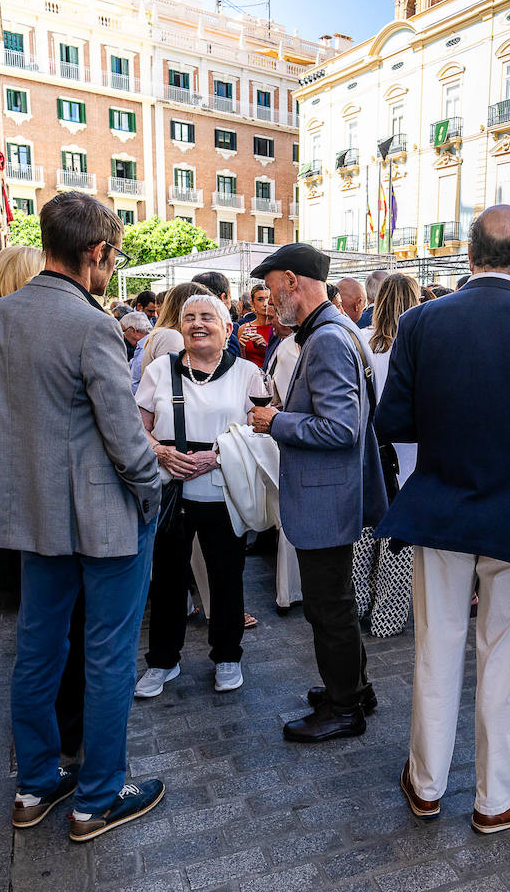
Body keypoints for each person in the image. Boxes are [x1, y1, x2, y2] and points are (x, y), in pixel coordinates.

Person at [375, 205, 510, 834]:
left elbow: (391, 421)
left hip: (442, 504)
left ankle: (425, 783)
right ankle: (497, 797)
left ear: (469, 256)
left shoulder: (420, 322)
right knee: (505, 656)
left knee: (435, 646)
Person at [0, 191, 164, 842]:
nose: (111, 268)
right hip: (106, 517)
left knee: (37, 650)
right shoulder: (91, 324)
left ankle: (35, 785)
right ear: (97, 253)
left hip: (31, 516)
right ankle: (97, 799)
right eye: (113, 256)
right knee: (108, 657)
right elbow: (124, 437)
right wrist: (151, 490)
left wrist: (27, 481)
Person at [247, 244, 388, 743]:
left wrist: (276, 421)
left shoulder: (327, 339)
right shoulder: (336, 330)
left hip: (326, 499)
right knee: (336, 604)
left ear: (292, 280)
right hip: (335, 495)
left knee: (327, 609)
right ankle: (354, 688)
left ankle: (344, 708)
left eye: (269, 284)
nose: (266, 296)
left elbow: (341, 428)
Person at [133, 295, 259, 698]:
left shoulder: (248, 373)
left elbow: (263, 431)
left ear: (227, 327)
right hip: (172, 492)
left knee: (226, 578)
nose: (197, 324)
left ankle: (227, 657)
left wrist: (218, 455)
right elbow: (139, 428)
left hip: (225, 491)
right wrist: (162, 452)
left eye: (208, 317)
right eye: (189, 318)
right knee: (167, 580)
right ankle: (163, 662)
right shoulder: (159, 370)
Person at [353, 273, 421, 637]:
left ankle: (357, 604)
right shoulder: (421, 343)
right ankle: (388, 618)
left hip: (369, 451)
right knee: (400, 543)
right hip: (409, 455)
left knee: (364, 534)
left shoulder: (363, 342)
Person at [261, 298, 304, 615]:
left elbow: (287, 399)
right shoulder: (287, 346)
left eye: (273, 311)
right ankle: (290, 591)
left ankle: (291, 591)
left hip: (290, 436)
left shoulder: (290, 348)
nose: (268, 316)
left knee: (290, 519)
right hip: (286, 436)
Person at [120, 311, 152, 393]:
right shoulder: (143, 347)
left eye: (123, 331)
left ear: (133, 330)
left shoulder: (146, 349)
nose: (123, 336)